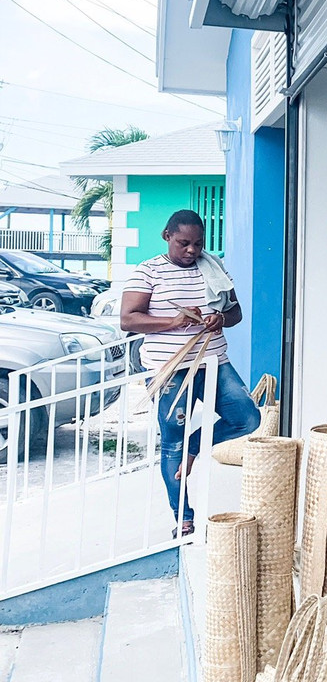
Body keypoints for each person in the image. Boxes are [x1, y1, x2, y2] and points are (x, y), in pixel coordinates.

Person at [120, 209, 260, 536]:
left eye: (198, 244)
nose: (192, 251)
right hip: (168, 369)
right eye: (184, 243)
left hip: (214, 361)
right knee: (171, 442)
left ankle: (193, 445)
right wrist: (173, 322)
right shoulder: (148, 272)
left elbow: (234, 311)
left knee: (248, 418)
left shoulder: (214, 267)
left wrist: (220, 320)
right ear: (166, 236)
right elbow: (128, 319)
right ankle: (183, 518)